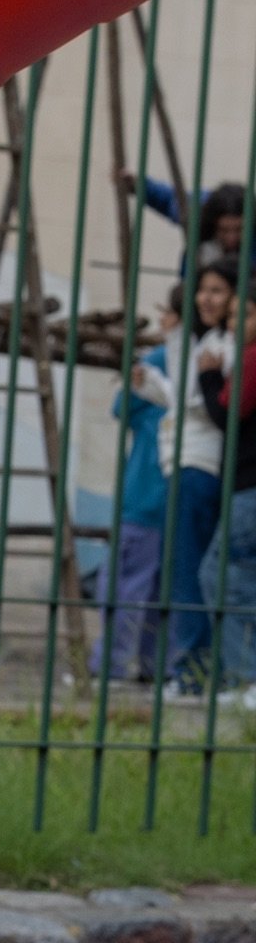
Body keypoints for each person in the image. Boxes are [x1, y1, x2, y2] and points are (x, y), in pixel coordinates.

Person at [136, 259, 236, 691]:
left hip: (198, 462)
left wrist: (175, 339)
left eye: (217, 291)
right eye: (203, 290)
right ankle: (196, 668)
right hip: (185, 459)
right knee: (190, 569)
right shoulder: (208, 340)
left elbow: (197, 400)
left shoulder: (226, 344)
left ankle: (194, 672)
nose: (206, 299)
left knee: (188, 571)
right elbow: (183, 397)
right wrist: (149, 382)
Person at [88, 292, 173, 680]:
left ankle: (116, 665)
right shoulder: (162, 366)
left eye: (168, 315)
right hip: (150, 501)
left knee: (130, 588)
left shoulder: (170, 360)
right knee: (145, 589)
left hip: (152, 502)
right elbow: (121, 407)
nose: (163, 322)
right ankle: (146, 666)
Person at [196, 290, 256, 707]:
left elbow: (228, 413)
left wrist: (209, 377)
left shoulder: (251, 359)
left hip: (249, 486)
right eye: (232, 316)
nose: (234, 324)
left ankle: (246, 677)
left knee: (221, 577)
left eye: (245, 315)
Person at [125, 173, 250, 271]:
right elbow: (170, 200)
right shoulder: (198, 215)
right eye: (223, 230)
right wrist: (139, 186)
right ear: (212, 223)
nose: (232, 237)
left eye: (239, 229)